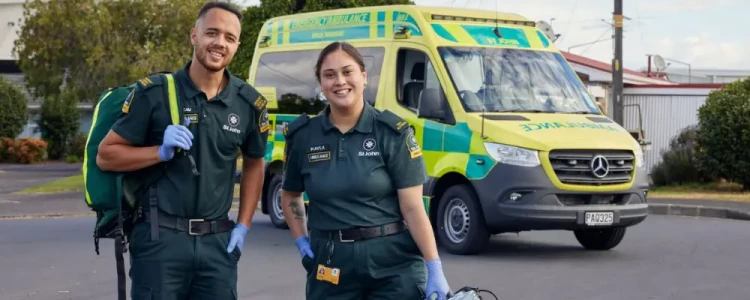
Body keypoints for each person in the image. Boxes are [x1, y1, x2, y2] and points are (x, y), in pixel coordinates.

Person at [96, 2, 268, 299]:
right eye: (212, 33)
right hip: (160, 240)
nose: (219, 43)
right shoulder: (155, 93)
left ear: (237, 45)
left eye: (229, 37)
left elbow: (254, 163)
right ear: (194, 35)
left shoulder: (248, 103)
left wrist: (243, 225)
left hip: (218, 245)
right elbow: (106, 155)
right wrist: (159, 152)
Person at [280, 41, 452, 300]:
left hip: (394, 266)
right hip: (330, 264)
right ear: (320, 83)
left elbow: (413, 207)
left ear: (363, 75)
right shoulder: (303, 136)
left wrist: (434, 265)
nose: (340, 81)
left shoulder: (391, 133)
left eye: (347, 72)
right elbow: (290, 195)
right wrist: (301, 241)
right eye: (329, 75)